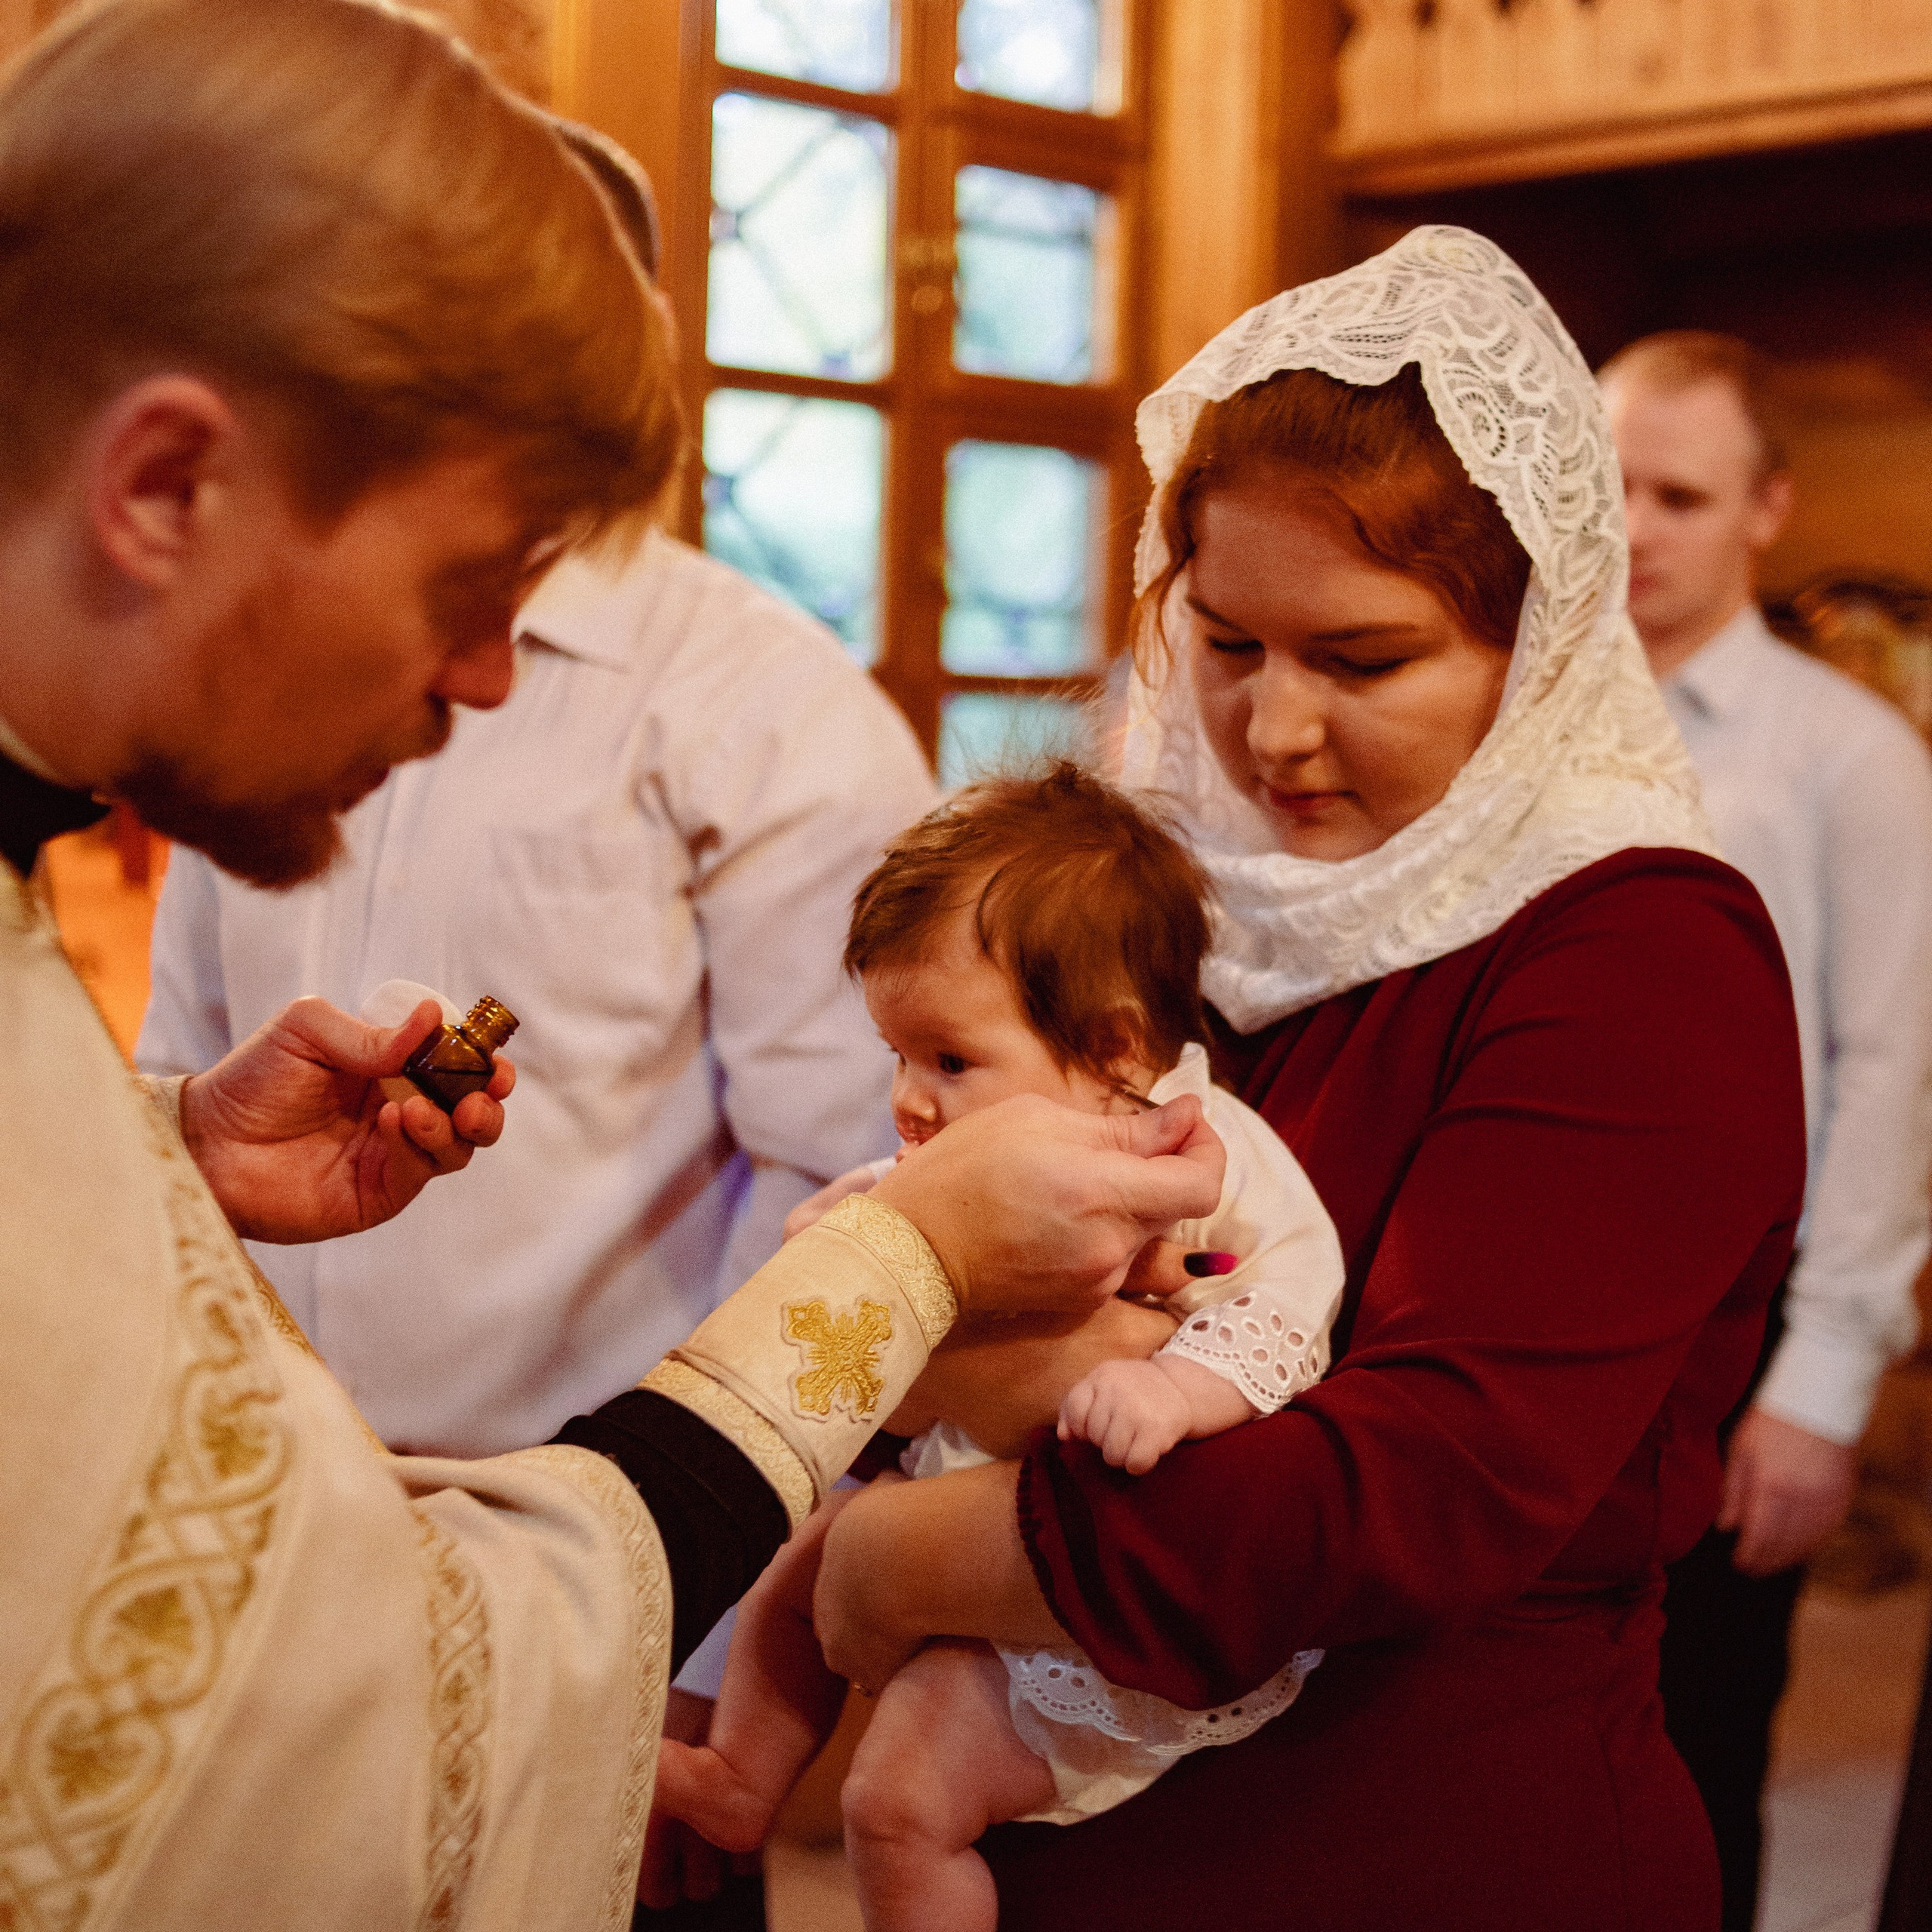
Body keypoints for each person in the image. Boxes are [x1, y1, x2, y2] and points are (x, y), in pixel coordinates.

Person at [0, 5, 1226, 1927]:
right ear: (164, 487)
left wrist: (165, 1151)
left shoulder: (747, 703)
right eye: (462, 584)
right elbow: (299, 1711)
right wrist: (906, 1257)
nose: (493, 676)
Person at [767, 226, 1809, 1932]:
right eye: (1228, 641)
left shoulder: (1638, 949)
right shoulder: (1173, 899)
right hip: (1072, 1824)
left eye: (1362, 659)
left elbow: (1415, 1493)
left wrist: (904, 1554)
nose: (1272, 731)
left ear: (1536, 642)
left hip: (1419, 1839)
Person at [132, 120, 935, 1924]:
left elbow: (843, 1193)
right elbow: (171, 1082)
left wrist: (695, 1660)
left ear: (622, 339)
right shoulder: (252, 667)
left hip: (603, 1565)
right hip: (271, 1566)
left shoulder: (759, 708)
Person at [654, 765, 1345, 1930]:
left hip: (1093, 1563)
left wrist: (1182, 1385)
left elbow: (1290, 1286)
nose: (909, 1099)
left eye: (949, 1060)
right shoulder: (965, 1151)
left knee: (898, 1804)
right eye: (896, 1055)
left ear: (1115, 1049)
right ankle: (739, 1776)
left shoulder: (1196, 1153)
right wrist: (849, 1241)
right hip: (957, 1510)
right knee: (797, 1576)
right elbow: (890, 1239)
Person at [1601, 331, 1932, 1931]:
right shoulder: (1497, 707)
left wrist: (1819, 1386)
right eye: (1607, 485)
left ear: (1767, 507)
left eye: (1677, 495)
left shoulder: (1849, 757)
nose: (1632, 528)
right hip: (1534, 1278)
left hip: (1740, 1309)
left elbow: (1889, 1070)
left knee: (1692, 1753)